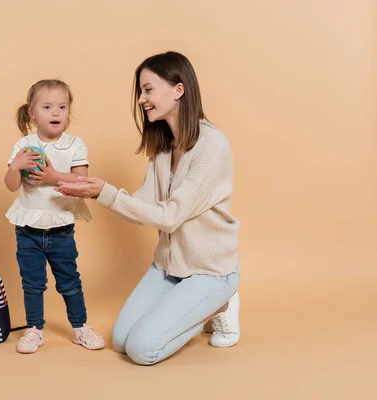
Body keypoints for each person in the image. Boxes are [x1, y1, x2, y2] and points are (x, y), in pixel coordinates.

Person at [55, 51, 241, 365]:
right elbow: (144, 204)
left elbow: (169, 217)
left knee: (143, 350)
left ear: (178, 90)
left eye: (148, 89)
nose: (142, 99)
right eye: (141, 91)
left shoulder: (212, 146)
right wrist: (95, 192)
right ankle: (193, 307)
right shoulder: (165, 146)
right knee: (122, 342)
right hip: (168, 268)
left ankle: (221, 304)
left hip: (209, 272)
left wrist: (107, 192)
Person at [4, 79, 104, 354]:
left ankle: (80, 326)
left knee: (69, 281)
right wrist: (15, 166)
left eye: (62, 106)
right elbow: (12, 185)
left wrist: (51, 176)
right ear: (32, 113)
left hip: (61, 228)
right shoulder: (25, 145)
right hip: (28, 228)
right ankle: (34, 329)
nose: (56, 112)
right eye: (47, 107)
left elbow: (82, 181)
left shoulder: (74, 145)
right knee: (32, 283)